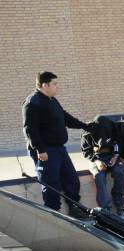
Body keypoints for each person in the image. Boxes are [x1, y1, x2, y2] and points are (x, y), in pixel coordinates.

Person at [22, 71, 88, 218]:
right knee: (51, 184)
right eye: (55, 84)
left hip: (59, 148)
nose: (58, 87)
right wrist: (40, 149)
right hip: (45, 150)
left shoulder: (51, 100)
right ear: (45, 85)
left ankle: (74, 209)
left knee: (71, 179)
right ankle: (54, 215)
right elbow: (30, 129)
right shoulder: (33, 102)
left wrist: (84, 126)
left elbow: (64, 117)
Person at [80, 116, 124, 215]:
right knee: (99, 176)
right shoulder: (88, 131)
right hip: (95, 157)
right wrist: (96, 161)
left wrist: (115, 157)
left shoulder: (112, 128)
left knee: (119, 171)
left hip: (111, 155)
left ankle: (119, 203)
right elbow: (86, 151)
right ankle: (105, 209)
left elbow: (117, 144)